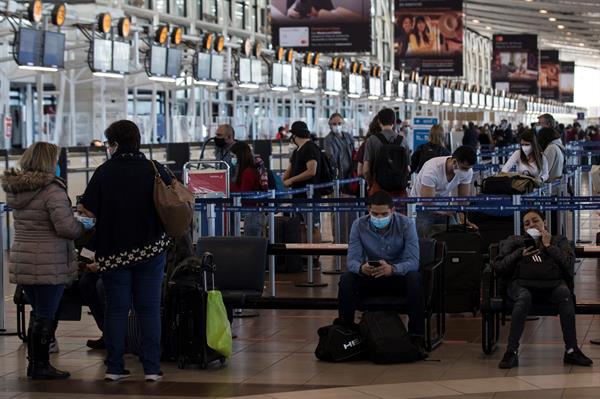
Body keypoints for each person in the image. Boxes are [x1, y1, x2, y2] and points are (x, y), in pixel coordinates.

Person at [79, 120, 170, 382]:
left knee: (116, 310)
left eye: (108, 143)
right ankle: (152, 368)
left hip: (114, 251)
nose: (107, 148)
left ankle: (115, 367)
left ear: (115, 144)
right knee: (149, 309)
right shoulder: (154, 168)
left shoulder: (104, 172)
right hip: (151, 250)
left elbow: (88, 211)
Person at [2, 142, 87, 379]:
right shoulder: (52, 191)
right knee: (47, 313)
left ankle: (34, 363)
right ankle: (40, 365)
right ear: (49, 162)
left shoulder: (18, 189)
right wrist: (83, 225)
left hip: (24, 258)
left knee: (38, 312)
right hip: (49, 260)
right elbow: (66, 228)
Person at [494, 210, 593, 369]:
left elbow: (568, 264)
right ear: (524, 229)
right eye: (527, 224)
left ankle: (571, 350)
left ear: (544, 222)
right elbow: (499, 267)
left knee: (564, 294)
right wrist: (521, 253)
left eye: (535, 221)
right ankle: (511, 352)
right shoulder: (514, 241)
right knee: (523, 297)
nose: (532, 225)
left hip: (551, 285)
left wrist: (549, 246)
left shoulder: (558, 240)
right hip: (521, 284)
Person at [338, 191, 424, 346]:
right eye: (374, 214)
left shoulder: (406, 224)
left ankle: (416, 335)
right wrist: (361, 268)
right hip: (371, 276)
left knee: (414, 278)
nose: (379, 218)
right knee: (347, 279)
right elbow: (351, 260)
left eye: (383, 214)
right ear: (368, 210)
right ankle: (346, 331)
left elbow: (413, 262)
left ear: (392, 211)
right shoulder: (358, 225)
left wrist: (392, 269)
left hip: (397, 277)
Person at [410, 145, 478, 237]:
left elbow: (463, 200)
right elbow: (426, 203)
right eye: (464, 168)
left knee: (455, 233)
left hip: (443, 205)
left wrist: (463, 219)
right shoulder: (431, 170)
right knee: (423, 238)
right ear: (454, 162)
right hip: (421, 207)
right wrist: (445, 211)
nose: (467, 172)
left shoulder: (467, 171)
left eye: (469, 168)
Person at [363, 108, 409, 196]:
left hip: (378, 189)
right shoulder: (403, 141)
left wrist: (371, 184)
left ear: (379, 121)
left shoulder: (371, 140)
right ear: (394, 122)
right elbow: (408, 169)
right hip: (399, 190)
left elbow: (365, 170)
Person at [230, 141, 265, 237]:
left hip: (252, 212)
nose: (233, 159)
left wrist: (228, 187)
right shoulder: (250, 169)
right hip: (254, 211)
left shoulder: (247, 172)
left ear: (239, 155)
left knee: (251, 243)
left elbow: (244, 193)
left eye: (234, 156)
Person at [324, 113, 355, 181]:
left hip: (351, 170)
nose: (337, 126)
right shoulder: (328, 139)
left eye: (339, 123)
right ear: (330, 125)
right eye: (334, 124)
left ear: (343, 123)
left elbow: (354, 152)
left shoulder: (348, 137)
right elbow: (330, 157)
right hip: (338, 172)